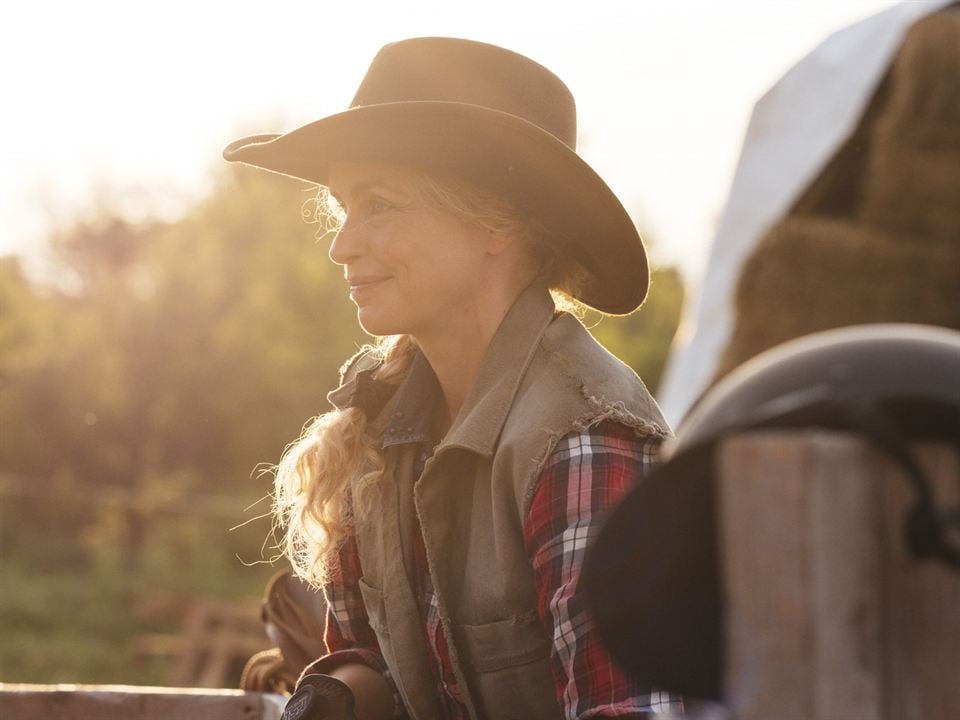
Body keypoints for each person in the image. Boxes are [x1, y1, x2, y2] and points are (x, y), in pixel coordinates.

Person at [223, 37, 680, 720]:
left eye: (377, 203)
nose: (342, 243)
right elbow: (376, 656)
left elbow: (627, 709)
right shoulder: (378, 426)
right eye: (343, 207)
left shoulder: (582, 436)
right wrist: (334, 698)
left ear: (497, 219)